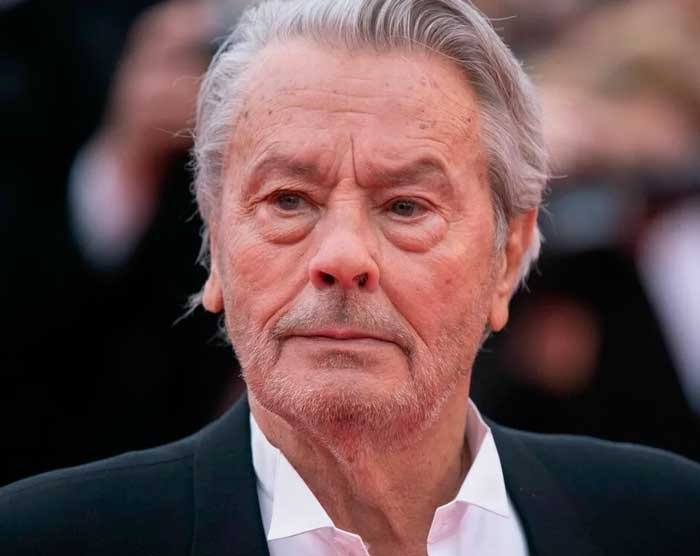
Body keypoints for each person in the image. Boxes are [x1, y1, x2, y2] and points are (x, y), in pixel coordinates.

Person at [1, 1, 698, 555]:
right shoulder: (42, 539)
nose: (341, 256)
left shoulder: (666, 521)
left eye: (405, 206)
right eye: (288, 201)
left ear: (507, 258)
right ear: (214, 245)